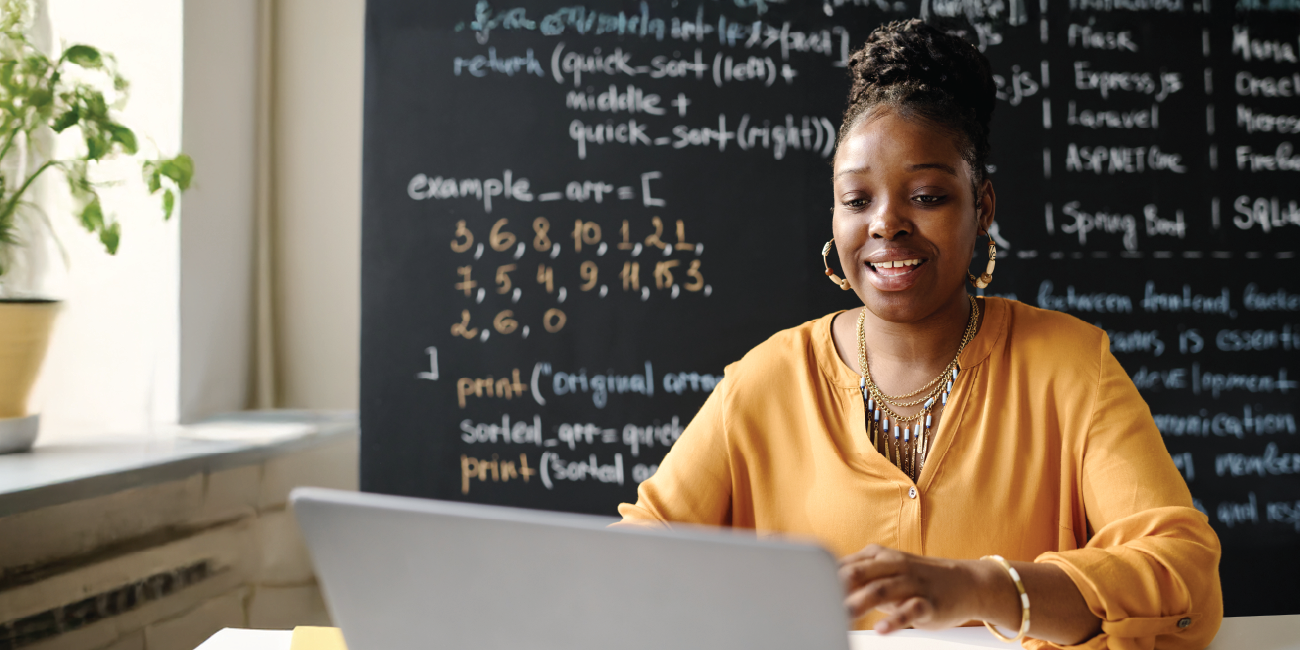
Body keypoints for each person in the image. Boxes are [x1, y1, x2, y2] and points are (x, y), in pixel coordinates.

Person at [616, 19, 1222, 650]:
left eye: (928, 195)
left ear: (982, 205)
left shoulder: (1071, 367)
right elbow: (633, 558)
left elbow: (1184, 578)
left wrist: (978, 589)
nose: (886, 225)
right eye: (856, 201)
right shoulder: (767, 379)